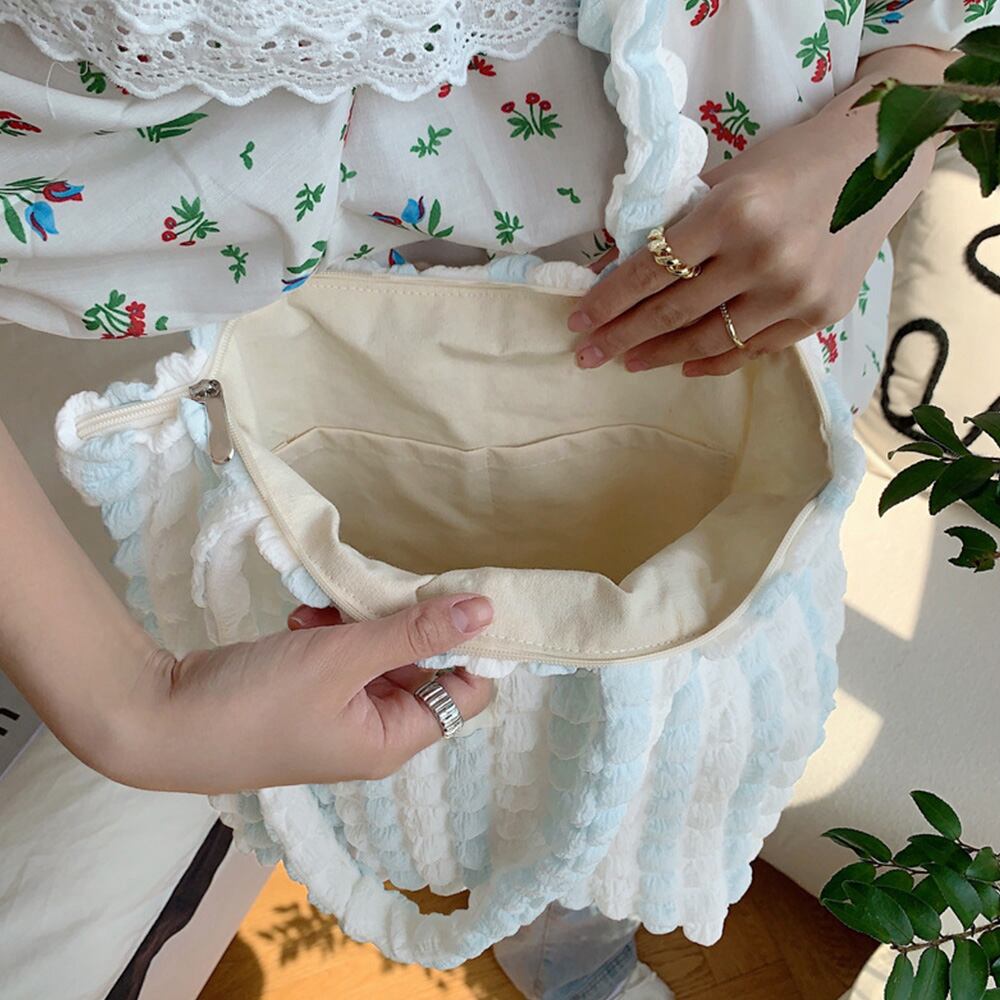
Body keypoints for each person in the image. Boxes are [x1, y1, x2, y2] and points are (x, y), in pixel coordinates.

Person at [0, 2, 995, 997]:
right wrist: (127, 706)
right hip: (291, 418)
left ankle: (576, 951)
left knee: (620, 784)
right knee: (528, 777)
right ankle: (572, 949)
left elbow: (943, 32)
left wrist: (876, 150)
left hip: (750, 318)